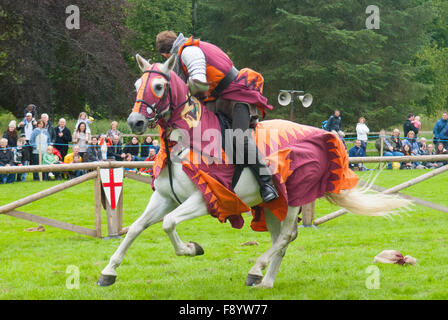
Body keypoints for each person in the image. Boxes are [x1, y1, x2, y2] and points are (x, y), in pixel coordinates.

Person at [156, 30, 278, 203]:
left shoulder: (188, 52)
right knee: (208, 138)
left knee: (239, 138)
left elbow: (198, 84)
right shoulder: (184, 53)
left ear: (165, 53)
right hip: (217, 99)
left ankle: (267, 184)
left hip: (237, 95)